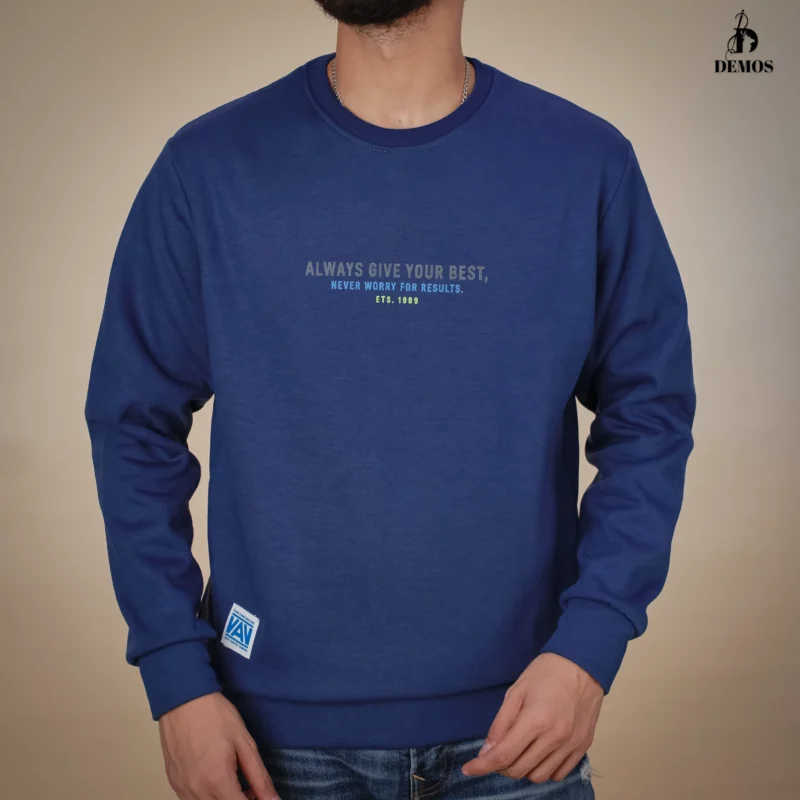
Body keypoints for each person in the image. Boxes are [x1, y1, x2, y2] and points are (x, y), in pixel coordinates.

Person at [83, 0, 697, 798]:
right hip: (270, 740)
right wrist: (175, 674)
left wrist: (590, 646)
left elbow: (649, 413)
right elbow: (133, 422)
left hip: (519, 729)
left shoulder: (584, 162)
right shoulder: (207, 166)